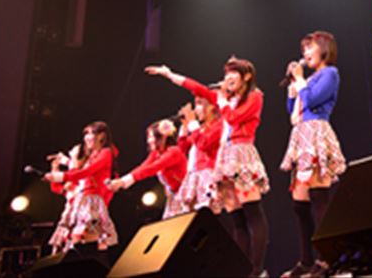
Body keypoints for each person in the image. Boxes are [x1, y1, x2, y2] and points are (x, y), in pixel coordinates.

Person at [146, 57, 271, 276]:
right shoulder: (226, 100)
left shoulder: (255, 96)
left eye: (233, 73)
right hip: (225, 159)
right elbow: (198, 88)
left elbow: (234, 119)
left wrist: (221, 100)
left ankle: (257, 270)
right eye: (226, 74)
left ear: (246, 76)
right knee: (237, 220)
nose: (227, 78)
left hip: (242, 154)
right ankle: (241, 271)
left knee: (252, 213)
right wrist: (169, 74)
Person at [279, 31, 346, 278]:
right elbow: (294, 108)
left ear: (324, 49)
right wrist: (293, 87)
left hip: (316, 132)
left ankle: (329, 258)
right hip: (300, 134)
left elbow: (314, 99)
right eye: (304, 49)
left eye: (310, 47)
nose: (305, 53)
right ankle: (306, 260)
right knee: (300, 203)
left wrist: (300, 80)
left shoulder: (330, 73)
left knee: (319, 196)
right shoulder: (308, 79)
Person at [44, 122, 119, 259]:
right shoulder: (91, 158)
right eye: (86, 134)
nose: (87, 137)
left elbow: (85, 171)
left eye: (91, 133)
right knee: (74, 243)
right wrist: (56, 169)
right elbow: (74, 175)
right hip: (79, 204)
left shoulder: (105, 153)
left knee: (89, 240)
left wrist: (60, 175)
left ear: (102, 135)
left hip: (91, 202)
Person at [108, 119, 188, 218]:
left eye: (151, 137)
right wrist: (122, 181)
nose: (148, 141)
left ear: (162, 137)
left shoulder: (173, 152)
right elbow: (143, 167)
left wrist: (123, 181)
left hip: (186, 193)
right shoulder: (156, 154)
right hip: (175, 196)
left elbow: (152, 168)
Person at [174, 95, 224, 215]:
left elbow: (204, 144)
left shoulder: (219, 125)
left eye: (199, 104)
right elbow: (183, 148)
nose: (196, 109)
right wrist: (185, 126)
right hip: (194, 173)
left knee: (207, 213)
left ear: (212, 106)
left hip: (208, 172)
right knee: (190, 215)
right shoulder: (200, 128)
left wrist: (192, 123)